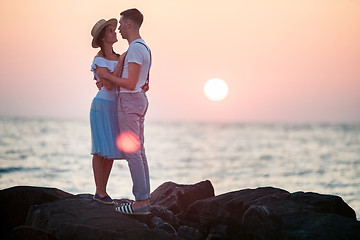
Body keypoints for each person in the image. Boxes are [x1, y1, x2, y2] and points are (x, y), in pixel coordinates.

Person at [94, 8, 152, 215]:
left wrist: (108, 78)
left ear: (128, 24)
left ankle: (140, 203)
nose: (118, 27)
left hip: (129, 101)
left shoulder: (135, 49)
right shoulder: (144, 47)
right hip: (138, 100)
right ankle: (144, 198)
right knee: (139, 150)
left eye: (120, 24)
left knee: (132, 152)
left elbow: (130, 83)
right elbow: (143, 81)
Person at [89, 18, 127, 205]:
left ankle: (103, 190)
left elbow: (123, 81)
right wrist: (119, 65)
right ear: (104, 37)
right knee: (100, 150)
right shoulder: (99, 59)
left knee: (110, 150)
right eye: (111, 31)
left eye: (114, 30)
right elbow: (110, 83)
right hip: (101, 106)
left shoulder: (120, 57)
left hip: (116, 107)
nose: (115, 33)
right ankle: (99, 191)